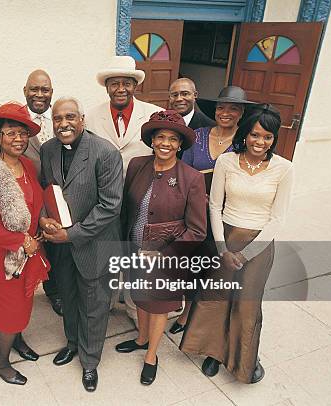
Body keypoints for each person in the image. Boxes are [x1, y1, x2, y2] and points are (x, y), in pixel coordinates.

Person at [180, 105, 294, 384]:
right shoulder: (227, 162)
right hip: (226, 237)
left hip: (259, 243)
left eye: (267, 137)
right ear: (245, 135)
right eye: (255, 135)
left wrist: (246, 254)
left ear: (273, 139)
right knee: (217, 297)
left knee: (246, 305)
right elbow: (216, 206)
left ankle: (242, 359)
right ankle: (213, 353)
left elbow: (278, 218)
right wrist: (222, 249)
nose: (260, 142)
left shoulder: (284, 169)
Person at [115, 110, 206, 385]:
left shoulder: (191, 177)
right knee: (140, 297)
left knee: (158, 307)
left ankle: (151, 356)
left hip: (168, 255)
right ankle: (141, 339)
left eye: (172, 139)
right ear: (152, 140)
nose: (165, 143)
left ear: (180, 144)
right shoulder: (136, 165)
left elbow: (198, 230)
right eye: (160, 137)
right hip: (135, 248)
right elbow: (125, 210)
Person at [40, 97, 123, 392]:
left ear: (83, 120)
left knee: (94, 305)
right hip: (61, 246)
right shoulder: (48, 149)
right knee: (70, 298)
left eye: (70, 117)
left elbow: (110, 206)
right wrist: (42, 219)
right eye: (58, 118)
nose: (64, 124)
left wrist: (72, 234)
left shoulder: (106, 153)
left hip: (95, 244)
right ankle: (73, 343)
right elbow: (43, 191)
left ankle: (90, 362)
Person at [0, 102, 50, 386]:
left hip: (28, 252)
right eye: (11, 133)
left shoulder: (28, 165)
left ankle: (16, 339)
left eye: (23, 133)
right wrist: (20, 241)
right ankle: (0, 362)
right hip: (1, 257)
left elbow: (35, 204)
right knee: (8, 311)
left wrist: (42, 223)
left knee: (22, 304)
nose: (18, 139)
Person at [172, 85, 256, 334]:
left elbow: (248, 179)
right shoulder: (197, 135)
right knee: (190, 265)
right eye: (221, 107)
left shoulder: (245, 142)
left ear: (241, 113)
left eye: (233, 108)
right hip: (193, 213)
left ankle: (198, 318)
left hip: (224, 218)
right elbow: (182, 170)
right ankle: (186, 310)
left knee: (213, 269)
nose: (225, 112)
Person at [86, 55, 162, 325]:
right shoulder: (91, 116)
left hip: (141, 200)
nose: (120, 88)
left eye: (126, 83)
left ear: (134, 86)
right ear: (106, 87)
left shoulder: (152, 113)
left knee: (135, 254)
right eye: (114, 83)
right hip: (103, 200)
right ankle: (103, 305)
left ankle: (132, 306)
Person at [22, 69, 63, 317]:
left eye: (45, 89)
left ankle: (55, 291)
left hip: (58, 200)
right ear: (24, 91)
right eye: (34, 89)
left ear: (51, 92)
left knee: (57, 248)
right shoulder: (17, 121)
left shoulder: (60, 119)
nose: (39, 94)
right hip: (27, 199)